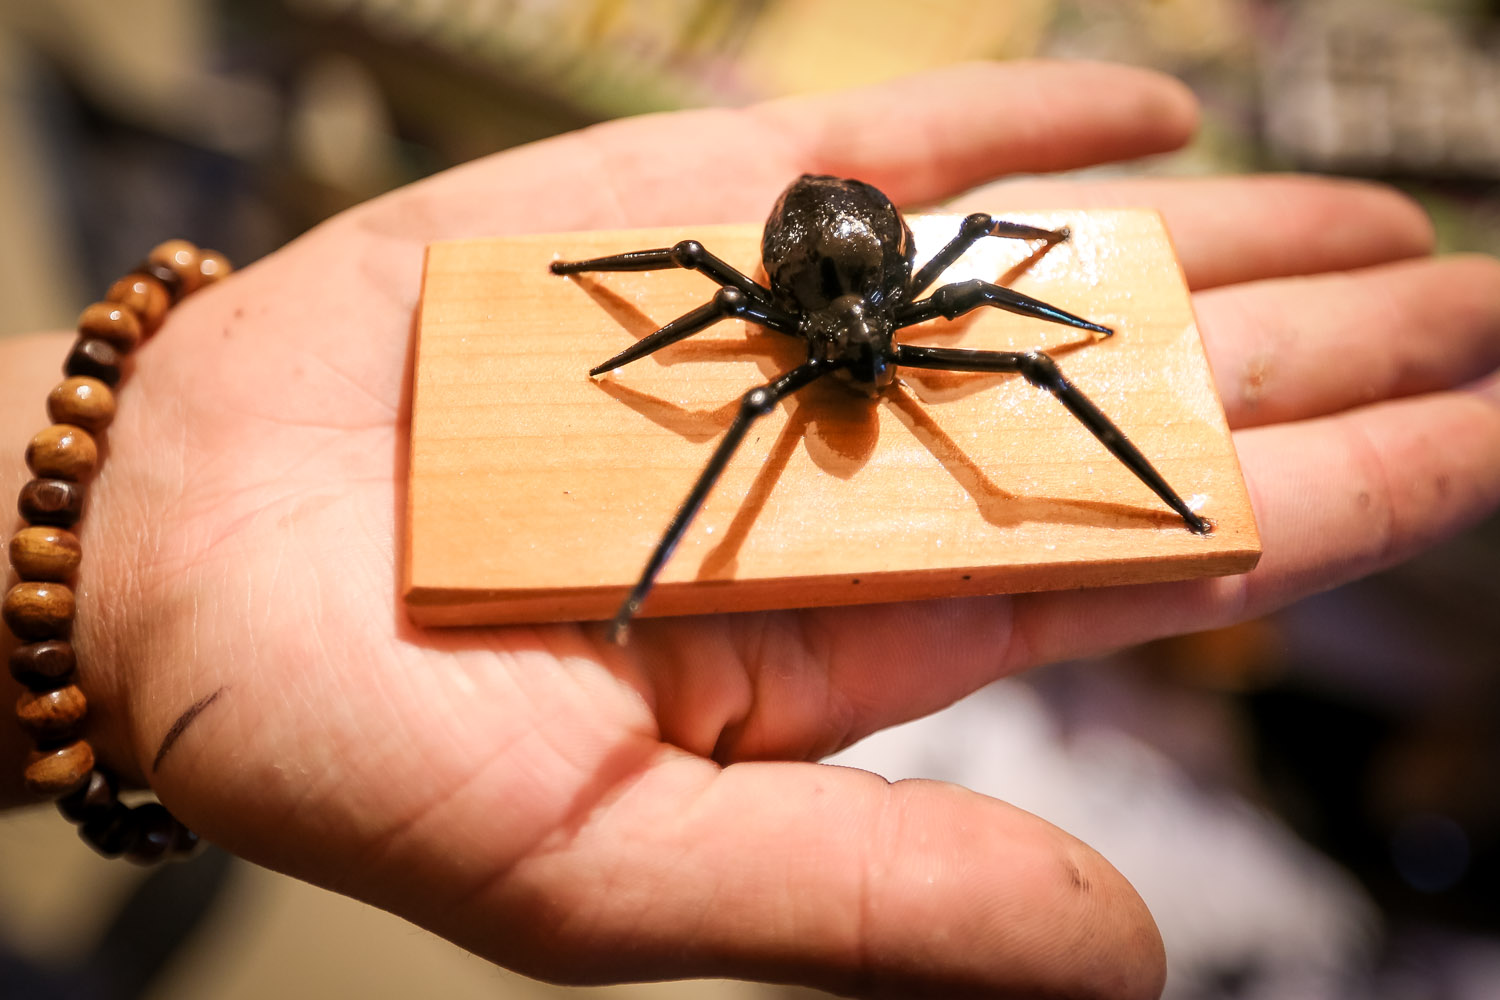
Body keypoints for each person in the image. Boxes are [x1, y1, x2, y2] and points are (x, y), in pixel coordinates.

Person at [3, 61, 1497, 999]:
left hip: (854, 250)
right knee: (751, 419)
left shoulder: (904, 322)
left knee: (1032, 362)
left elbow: (1018, 316)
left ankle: (1155, 488)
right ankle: (666, 578)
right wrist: (627, 366)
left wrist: (1065, 324)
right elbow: (688, 280)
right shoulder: (771, 321)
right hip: (815, 249)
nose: (853, 376)